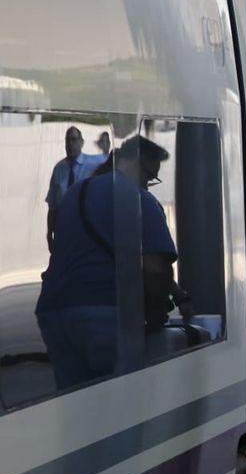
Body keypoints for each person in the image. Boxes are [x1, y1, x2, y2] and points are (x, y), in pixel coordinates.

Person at [36, 136, 179, 391]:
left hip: (55, 313)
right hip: (103, 313)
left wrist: (177, 292)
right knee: (122, 403)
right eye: (149, 175)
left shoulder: (75, 193)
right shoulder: (137, 198)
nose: (148, 184)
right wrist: (156, 314)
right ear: (131, 161)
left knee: (76, 402)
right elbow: (156, 268)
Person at [45, 127, 102, 251]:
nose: (70, 144)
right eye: (67, 140)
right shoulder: (59, 169)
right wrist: (49, 234)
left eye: (74, 140)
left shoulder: (92, 166)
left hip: (84, 230)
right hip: (63, 229)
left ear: (81, 142)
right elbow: (53, 205)